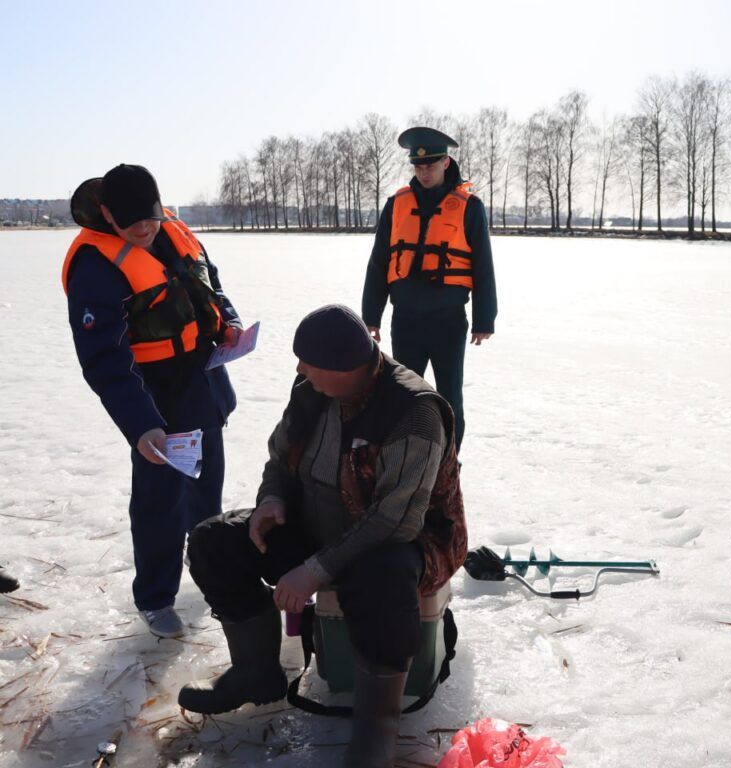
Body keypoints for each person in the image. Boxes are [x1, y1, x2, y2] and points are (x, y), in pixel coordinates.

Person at [178, 304, 467, 768]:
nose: (300, 371)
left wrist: (314, 570)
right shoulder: (312, 389)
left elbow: (394, 521)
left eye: (308, 363)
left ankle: (376, 728)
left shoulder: (413, 412)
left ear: (344, 367)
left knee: (383, 574)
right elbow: (280, 456)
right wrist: (272, 500)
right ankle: (255, 674)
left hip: (402, 542)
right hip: (318, 523)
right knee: (214, 541)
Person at [62, 165, 242, 639]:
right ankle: (156, 597)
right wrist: (142, 424)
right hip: (156, 399)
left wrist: (229, 322)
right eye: (132, 223)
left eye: (151, 218)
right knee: (160, 504)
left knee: (207, 495)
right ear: (107, 215)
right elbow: (104, 359)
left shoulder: (174, 230)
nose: (145, 230)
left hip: (204, 384)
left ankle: (212, 569)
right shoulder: (95, 266)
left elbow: (211, 284)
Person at [362, 126, 498, 453]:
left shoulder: (469, 206)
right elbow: (379, 261)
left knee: (449, 397)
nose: (424, 172)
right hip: (406, 320)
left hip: (448, 322)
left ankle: (448, 464)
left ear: (446, 163)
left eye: (431, 165)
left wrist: (484, 319)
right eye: (418, 166)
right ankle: (402, 460)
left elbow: (483, 265)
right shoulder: (396, 204)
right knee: (402, 396)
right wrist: (371, 315)